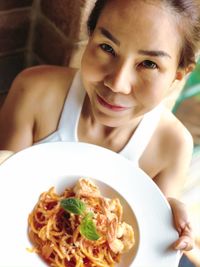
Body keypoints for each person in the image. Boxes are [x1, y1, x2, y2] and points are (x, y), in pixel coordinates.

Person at [0, 0, 200, 264]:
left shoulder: (173, 145)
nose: (117, 83)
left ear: (178, 74)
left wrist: (176, 230)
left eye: (149, 64)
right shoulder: (33, 90)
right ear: (89, 37)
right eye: (107, 48)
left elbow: (152, 247)